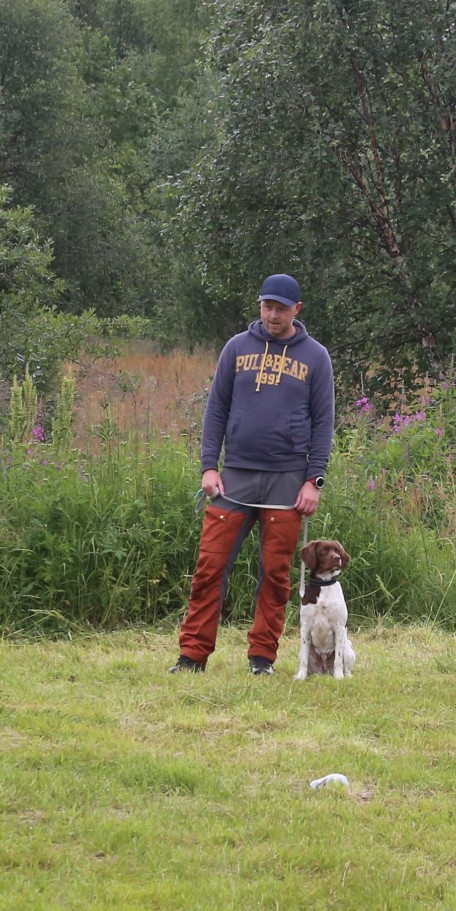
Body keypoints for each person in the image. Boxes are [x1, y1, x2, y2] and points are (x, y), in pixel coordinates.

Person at [172, 274, 333, 675]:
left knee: (276, 576)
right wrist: (209, 466)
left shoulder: (316, 357)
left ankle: (262, 659)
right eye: (267, 306)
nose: (273, 315)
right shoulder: (236, 348)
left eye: (281, 308)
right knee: (210, 568)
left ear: (297, 309)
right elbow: (216, 410)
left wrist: (314, 480)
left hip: (287, 481)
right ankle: (192, 656)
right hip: (234, 478)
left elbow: (323, 423)